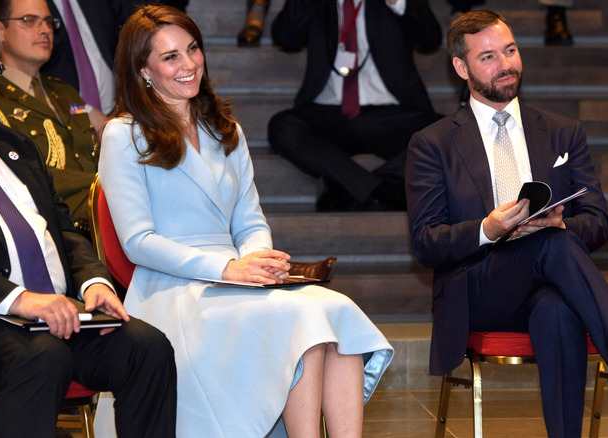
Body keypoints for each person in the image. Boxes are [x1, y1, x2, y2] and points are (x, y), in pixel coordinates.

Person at [405, 10, 608, 437]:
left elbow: (597, 222)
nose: (505, 64)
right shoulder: (432, 143)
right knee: (553, 248)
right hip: (477, 289)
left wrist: (559, 226)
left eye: (510, 50)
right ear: (461, 69)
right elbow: (426, 241)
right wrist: (488, 228)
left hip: (548, 281)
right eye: (488, 57)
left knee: (556, 306)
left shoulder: (562, 133)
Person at [98, 5, 393, 437]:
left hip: (237, 279)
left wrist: (258, 262)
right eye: (170, 57)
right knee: (305, 322)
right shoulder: (123, 134)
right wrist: (227, 269)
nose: (188, 64)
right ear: (143, 70)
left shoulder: (226, 129)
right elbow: (138, 242)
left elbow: (250, 221)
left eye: (192, 48)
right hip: (173, 289)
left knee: (336, 310)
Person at [0, 10, 177, 438]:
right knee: (44, 356)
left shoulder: (13, 144)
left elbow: (63, 229)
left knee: (146, 347)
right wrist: (20, 300)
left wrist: (92, 283)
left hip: (54, 314)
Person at [267, 0, 444, 212]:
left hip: (391, 114)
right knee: (282, 127)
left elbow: (430, 40)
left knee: (450, 131)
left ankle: (348, 189)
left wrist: (398, 3)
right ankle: (384, 192)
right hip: (330, 115)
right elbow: (285, 37)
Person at [0, 0, 102, 233]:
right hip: (54, 226)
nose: (45, 29)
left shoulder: (64, 92)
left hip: (102, 215)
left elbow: (99, 141)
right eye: (29, 20)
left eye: (48, 21)